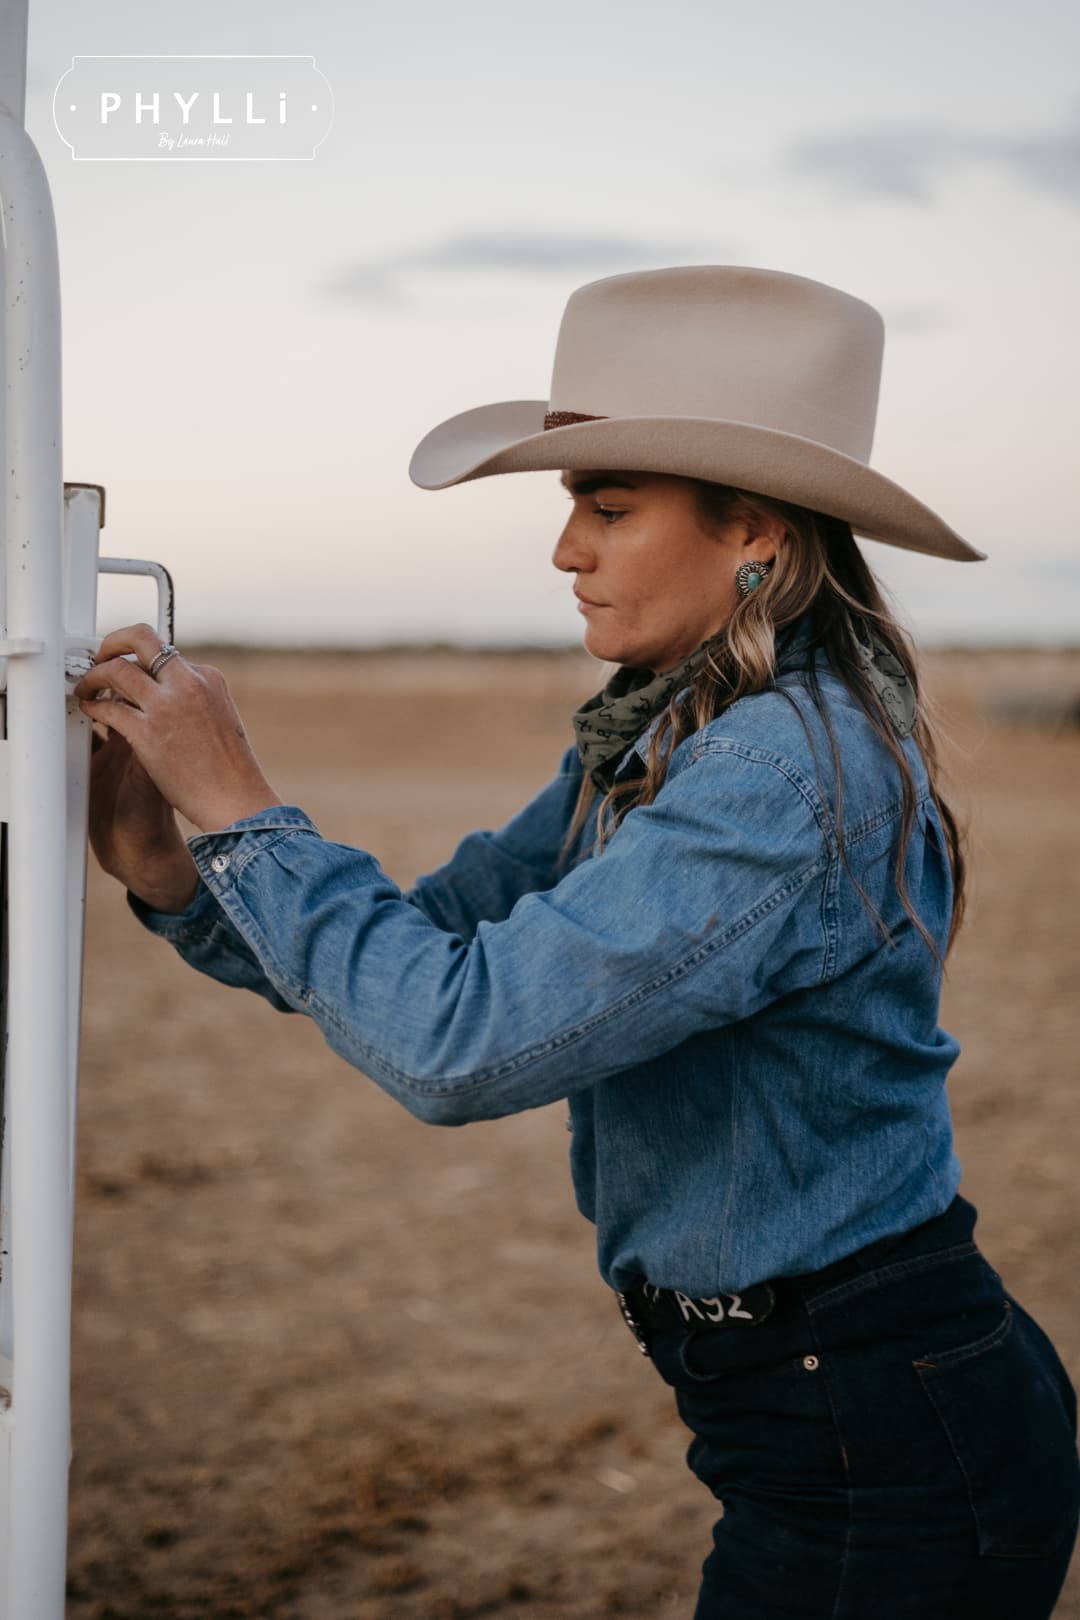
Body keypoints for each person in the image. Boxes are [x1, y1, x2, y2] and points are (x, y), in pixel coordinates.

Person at [76, 265, 1080, 1618]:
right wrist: (174, 868)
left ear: (758, 537)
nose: (566, 551)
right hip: (821, 1414)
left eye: (607, 507)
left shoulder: (777, 773)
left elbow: (457, 1043)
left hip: (879, 1437)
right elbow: (423, 947)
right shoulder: (660, 736)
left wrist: (242, 807)